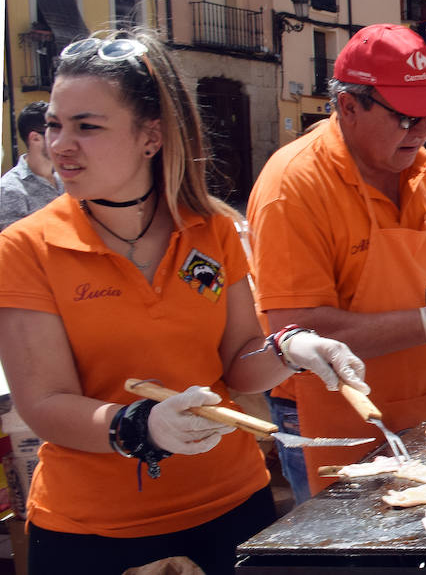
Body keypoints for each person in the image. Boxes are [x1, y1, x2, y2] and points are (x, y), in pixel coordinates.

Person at [0, 29, 367, 575]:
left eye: (86, 126)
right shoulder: (25, 247)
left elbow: (238, 364)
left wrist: (292, 348)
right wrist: (139, 426)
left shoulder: (213, 230)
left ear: (152, 136)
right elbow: (45, 404)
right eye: (54, 124)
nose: (58, 144)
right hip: (96, 531)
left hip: (233, 508)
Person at [247, 24, 426, 501]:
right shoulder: (293, 186)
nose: (422, 132)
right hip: (338, 419)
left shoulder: (422, 165)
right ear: (348, 106)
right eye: (407, 117)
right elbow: (295, 328)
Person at [0, 101, 64, 230]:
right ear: (35, 138)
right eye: (56, 132)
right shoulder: (10, 190)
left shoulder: (67, 179)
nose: (65, 140)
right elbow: (16, 246)